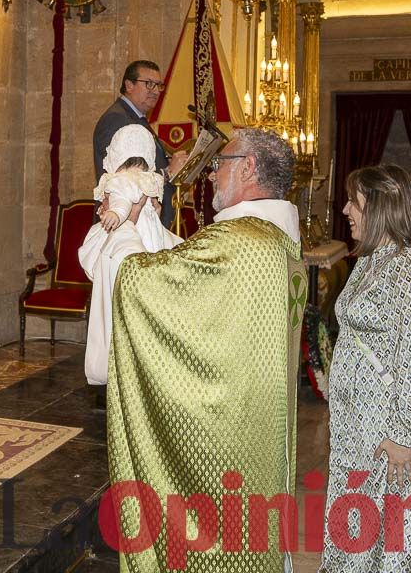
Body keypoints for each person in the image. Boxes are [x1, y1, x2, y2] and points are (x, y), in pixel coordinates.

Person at [104, 128, 304, 572]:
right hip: (260, 432)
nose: (212, 174)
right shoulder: (277, 242)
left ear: (249, 168)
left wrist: (129, 225)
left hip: (227, 440)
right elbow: (198, 269)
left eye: (221, 163)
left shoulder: (240, 242)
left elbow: (142, 283)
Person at [321, 164, 411, 572]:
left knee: (392, 544)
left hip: (389, 434)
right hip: (357, 427)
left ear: (378, 207)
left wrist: (404, 433)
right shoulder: (369, 260)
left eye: (353, 202)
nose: (345, 210)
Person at [79, 125, 181, 387]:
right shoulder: (148, 180)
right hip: (147, 237)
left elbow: (123, 203)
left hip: (130, 237)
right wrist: (148, 212)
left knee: (117, 305)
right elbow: (141, 207)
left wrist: (116, 214)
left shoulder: (120, 181)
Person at [92, 60, 186, 227]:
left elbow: (144, 164)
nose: (156, 91)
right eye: (149, 84)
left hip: (144, 216)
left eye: (158, 85)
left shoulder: (135, 117)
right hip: (126, 220)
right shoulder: (117, 119)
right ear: (129, 85)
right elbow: (125, 176)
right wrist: (168, 172)